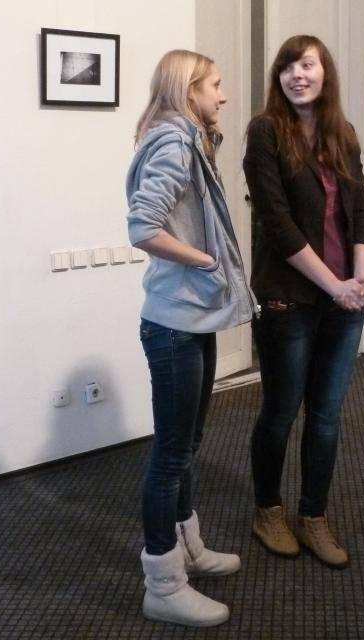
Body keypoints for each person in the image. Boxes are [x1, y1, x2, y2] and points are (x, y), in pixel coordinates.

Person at [126, 49, 254, 627]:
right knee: (171, 455)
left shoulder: (187, 140)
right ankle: (164, 583)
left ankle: (189, 550)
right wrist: (204, 259)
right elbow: (143, 226)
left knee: (186, 446)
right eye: (215, 84)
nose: (222, 95)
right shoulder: (175, 144)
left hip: (188, 322)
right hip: (174, 326)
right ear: (189, 88)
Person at [243, 35, 364, 569]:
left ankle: (313, 516)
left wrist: (360, 277)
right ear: (278, 78)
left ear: (325, 73)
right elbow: (276, 224)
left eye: (307, 64)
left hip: (345, 299)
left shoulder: (343, 134)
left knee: (326, 417)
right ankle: (268, 511)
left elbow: (361, 211)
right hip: (289, 298)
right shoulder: (265, 132)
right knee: (280, 413)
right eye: (288, 67)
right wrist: (334, 286)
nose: (297, 75)